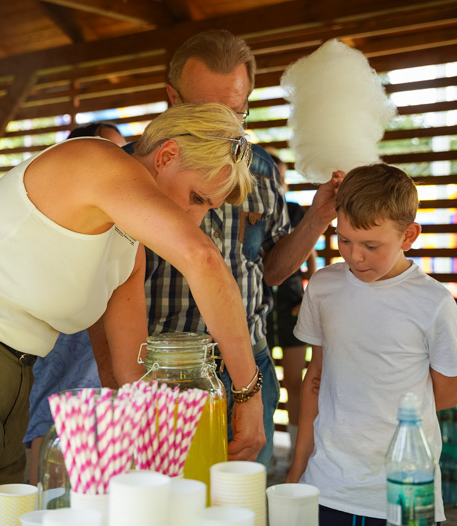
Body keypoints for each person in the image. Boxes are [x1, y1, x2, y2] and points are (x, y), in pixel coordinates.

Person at [0, 102, 265, 525]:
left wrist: (154, 457)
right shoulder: (95, 159)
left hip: (10, 376)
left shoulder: (128, 247)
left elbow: (126, 370)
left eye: (207, 209)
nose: (195, 219)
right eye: (197, 198)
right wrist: (248, 396)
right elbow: (204, 260)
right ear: (166, 155)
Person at [92, 29, 344, 467]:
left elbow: (270, 272)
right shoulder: (128, 171)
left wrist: (319, 218)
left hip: (249, 362)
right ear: (172, 96)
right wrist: (121, 390)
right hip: (159, 369)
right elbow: (104, 297)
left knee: (240, 503)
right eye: (204, 111)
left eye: (234, 113)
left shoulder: (260, 170)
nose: (223, 129)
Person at [286, 163, 457, 526]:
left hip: (403, 486)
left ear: (409, 235)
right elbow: (316, 377)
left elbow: (448, 395)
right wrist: (298, 468)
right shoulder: (324, 288)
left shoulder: (434, 303)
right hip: (327, 482)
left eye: (371, 245)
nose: (354, 256)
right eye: (344, 239)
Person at [24, 121, 126, 485]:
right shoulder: (60, 198)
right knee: (49, 412)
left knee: (97, 416)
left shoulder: (123, 204)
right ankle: (42, 498)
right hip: (62, 327)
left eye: (123, 149)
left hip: (97, 323)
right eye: (109, 149)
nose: (119, 159)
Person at [265, 154, 316, 460]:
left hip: (292, 302)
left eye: (281, 175)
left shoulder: (296, 211)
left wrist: (307, 297)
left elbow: (308, 258)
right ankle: (265, 448)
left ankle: (298, 452)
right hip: (260, 307)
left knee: (295, 383)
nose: (279, 181)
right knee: (260, 382)